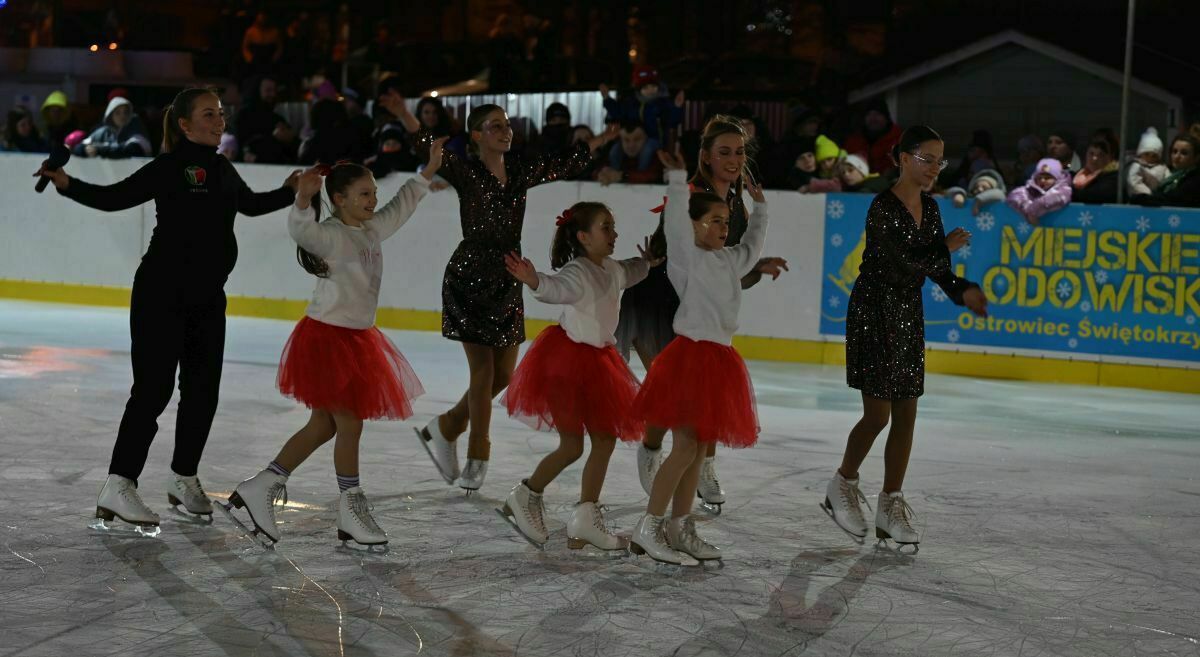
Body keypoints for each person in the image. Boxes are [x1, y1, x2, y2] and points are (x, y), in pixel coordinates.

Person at [35, 87, 299, 533]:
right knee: (153, 391)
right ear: (184, 124)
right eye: (208, 114)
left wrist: (291, 190)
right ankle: (119, 484)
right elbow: (115, 197)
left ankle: (183, 477)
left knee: (203, 393)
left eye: (221, 113)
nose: (219, 121)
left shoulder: (222, 167)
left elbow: (252, 205)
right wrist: (67, 185)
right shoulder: (170, 166)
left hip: (208, 299)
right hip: (161, 294)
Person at [377, 92, 618, 493]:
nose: (506, 131)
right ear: (476, 135)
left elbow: (563, 162)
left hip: (508, 277)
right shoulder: (466, 171)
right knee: (483, 371)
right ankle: (478, 453)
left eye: (507, 125)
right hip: (470, 276)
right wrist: (404, 112)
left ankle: (447, 427)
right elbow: (427, 145)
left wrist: (602, 139)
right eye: (495, 126)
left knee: (504, 374)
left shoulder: (520, 171)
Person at [228, 145, 446, 547]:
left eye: (374, 193)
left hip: (357, 339)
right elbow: (302, 231)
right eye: (364, 194)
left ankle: (262, 485)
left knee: (323, 425)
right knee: (349, 424)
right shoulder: (329, 235)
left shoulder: (372, 229)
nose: (373, 200)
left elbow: (402, 205)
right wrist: (303, 198)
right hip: (327, 340)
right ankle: (350, 505)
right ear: (340, 198)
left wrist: (428, 170)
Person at [820, 126, 988, 551]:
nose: (934, 168)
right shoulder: (882, 207)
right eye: (927, 159)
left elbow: (935, 270)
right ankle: (842, 483)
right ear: (904, 159)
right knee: (878, 415)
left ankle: (890, 505)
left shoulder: (930, 208)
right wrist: (944, 248)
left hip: (908, 314)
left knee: (907, 415)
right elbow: (898, 265)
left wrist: (962, 290)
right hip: (874, 311)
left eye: (940, 161)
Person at [622, 116, 787, 511]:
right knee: (672, 394)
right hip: (661, 299)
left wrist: (755, 266)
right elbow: (674, 243)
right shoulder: (694, 192)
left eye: (740, 152)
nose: (734, 159)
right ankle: (652, 450)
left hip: (695, 304)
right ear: (707, 157)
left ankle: (703, 465)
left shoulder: (736, 203)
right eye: (724, 152)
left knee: (704, 397)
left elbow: (730, 262)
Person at [498, 202, 657, 550]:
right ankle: (525, 494)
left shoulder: (613, 269)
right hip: (565, 365)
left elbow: (632, 271)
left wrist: (648, 262)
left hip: (600, 364)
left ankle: (586, 516)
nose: (614, 234)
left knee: (605, 440)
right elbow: (556, 288)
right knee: (572, 446)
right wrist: (534, 280)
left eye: (613, 226)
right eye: (606, 227)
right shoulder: (578, 271)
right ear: (583, 237)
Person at [1132, 133, 1200, 208]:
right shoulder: (1171, 175)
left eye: (1184, 153)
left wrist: (1143, 198)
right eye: (1174, 151)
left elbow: (1172, 199)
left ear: (1196, 157)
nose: (1177, 156)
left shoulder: (1195, 179)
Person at [73, 96, 152, 159]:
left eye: (126, 112)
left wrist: (99, 150)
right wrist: (85, 150)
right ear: (110, 115)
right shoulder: (103, 132)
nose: (122, 116)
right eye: (118, 113)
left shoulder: (136, 129)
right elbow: (79, 147)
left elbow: (133, 150)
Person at [843, 99, 903, 175]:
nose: (873, 118)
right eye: (869, 114)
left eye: (877, 114)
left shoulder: (899, 139)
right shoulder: (853, 141)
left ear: (886, 118)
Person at [1006, 157, 1073, 225]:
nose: (1042, 180)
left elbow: (1056, 197)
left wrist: (1033, 211)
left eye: (1047, 178)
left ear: (1057, 179)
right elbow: (1014, 195)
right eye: (1039, 177)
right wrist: (1026, 209)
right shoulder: (1031, 189)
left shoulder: (1064, 189)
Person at [1072, 137, 1120, 204]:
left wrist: (1068, 192)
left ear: (1110, 158)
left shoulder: (1113, 177)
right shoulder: (1073, 175)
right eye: (1091, 153)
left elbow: (1094, 195)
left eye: (1101, 155)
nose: (1094, 158)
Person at [1126, 127, 1169, 197]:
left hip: (1158, 198)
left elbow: (1168, 181)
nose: (1150, 158)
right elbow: (1134, 183)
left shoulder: (1163, 168)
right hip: (1140, 198)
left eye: (1154, 156)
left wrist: (1164, 194)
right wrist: (1149, 194)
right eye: (1146, 154)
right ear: (1140, 154)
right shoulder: (1137, 166)